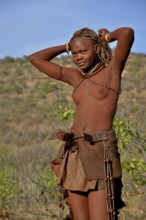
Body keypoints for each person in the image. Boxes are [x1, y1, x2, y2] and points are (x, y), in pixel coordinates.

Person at [28, 26, 134, 220]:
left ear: (97, 48)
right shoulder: (77, 78)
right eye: (74, 53)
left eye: (83, 51)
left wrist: (107, 37)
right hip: (75, 152)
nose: (77, 57)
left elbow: (127, 33)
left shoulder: (112, 71)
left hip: (100, 152)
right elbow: (35, 59)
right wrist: (67, 45)